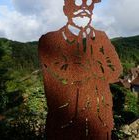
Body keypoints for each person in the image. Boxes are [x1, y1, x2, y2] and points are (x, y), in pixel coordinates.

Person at [38, 0, 122, 139]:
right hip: (65, 122)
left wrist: (85, 67)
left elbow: (116, 70)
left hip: (100, 120)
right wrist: (99, 66)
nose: (84, 7)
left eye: (88, 3)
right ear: (66, 10)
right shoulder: (49, 40)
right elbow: (65, 73)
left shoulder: (101, 37)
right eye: (77, 2)